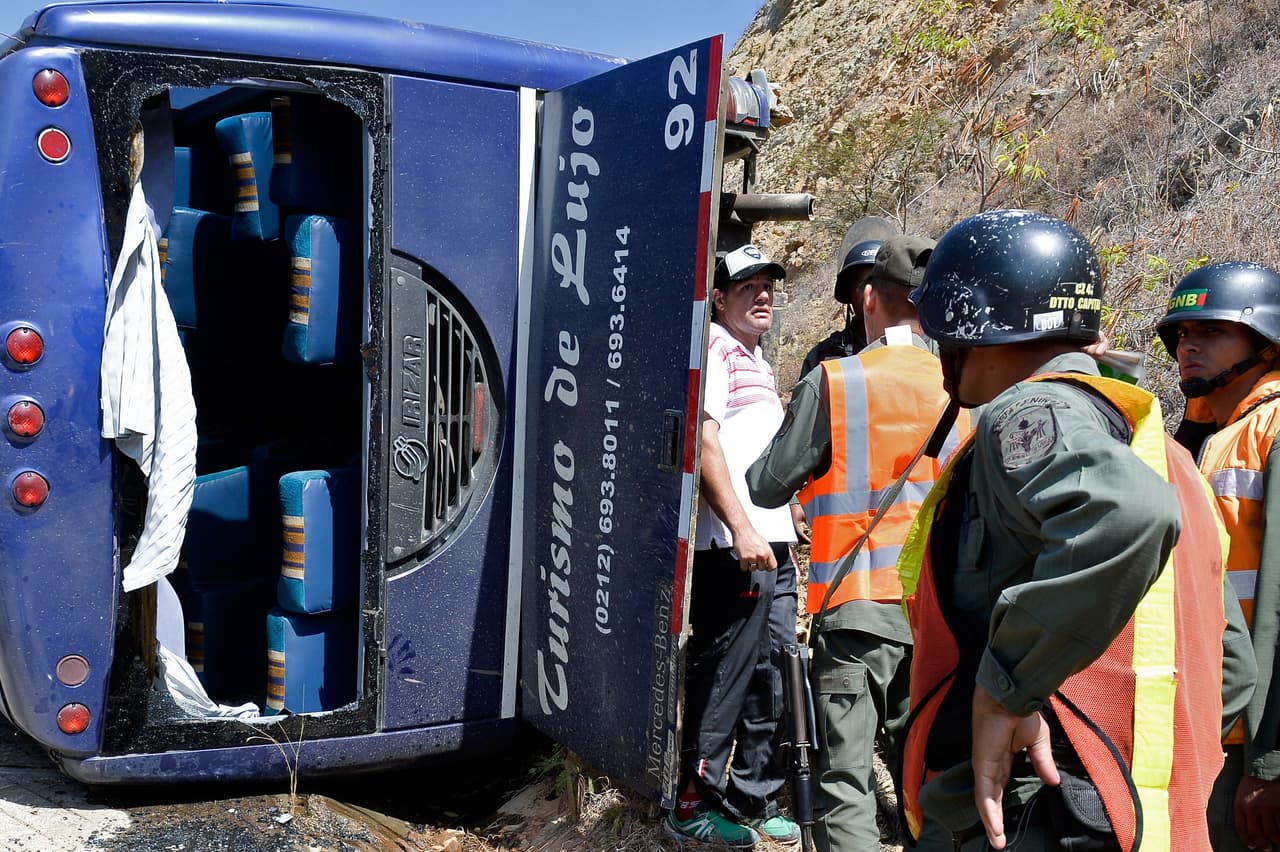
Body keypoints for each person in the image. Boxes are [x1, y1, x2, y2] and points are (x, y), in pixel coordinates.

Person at [897, 209, 1252, 851]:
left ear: (975, 324)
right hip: (1143, 822)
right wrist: (1127, 760)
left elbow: (1126, 517)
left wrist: (1009, 693)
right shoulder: (1164, 451)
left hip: (1038, 816)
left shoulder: (1032, 409)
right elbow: (1230, 668)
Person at [746, 234, 965, 851]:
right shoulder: (970, 383)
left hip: (857, 613)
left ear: (868, 297)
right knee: (932, 770)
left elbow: (766, 485)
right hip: (939, 614)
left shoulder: (836, 381)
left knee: (845, 778)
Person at [667, 244, 801, 849]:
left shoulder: (757, 360)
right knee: (723, 673)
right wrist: (743, 527)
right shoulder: (717, 351)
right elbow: (704, 443)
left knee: (769, 671)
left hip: (770, 544)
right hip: (733, 547)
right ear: (719, 298)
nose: (762, 294)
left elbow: (757, 454)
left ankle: (750, 796)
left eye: (768, 284)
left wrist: (784, 514)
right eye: (747, 286)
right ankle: (690, 802)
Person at [1156, 262, 1280, 852]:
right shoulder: (1203, 438)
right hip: (1212, 720)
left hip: (1252, 739)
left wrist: (1270, 760)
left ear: (1265, 343)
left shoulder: (1272, 428)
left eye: (1211, 331)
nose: (1189, 346)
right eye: (1182, 334)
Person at [798, 238, 883, 378]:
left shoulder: (918, 348)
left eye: (879, 284)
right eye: (862, 284)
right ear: (849, 293)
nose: (870, 293)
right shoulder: (824, 355)